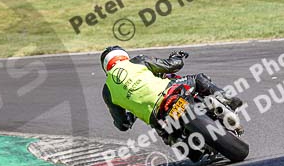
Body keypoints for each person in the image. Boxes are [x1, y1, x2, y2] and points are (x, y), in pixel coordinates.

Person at [100, 45, 242, 134]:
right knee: (198, 79)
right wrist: (177, 57)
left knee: (166, 134)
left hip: (155, 117)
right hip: (168, 91)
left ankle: (187, 144)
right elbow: (172, 65)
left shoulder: (107, 90)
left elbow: (122, 124)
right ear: (124, 56)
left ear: (106, 67)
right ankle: (227, 99)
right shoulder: (137, 61)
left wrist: (131, 116)